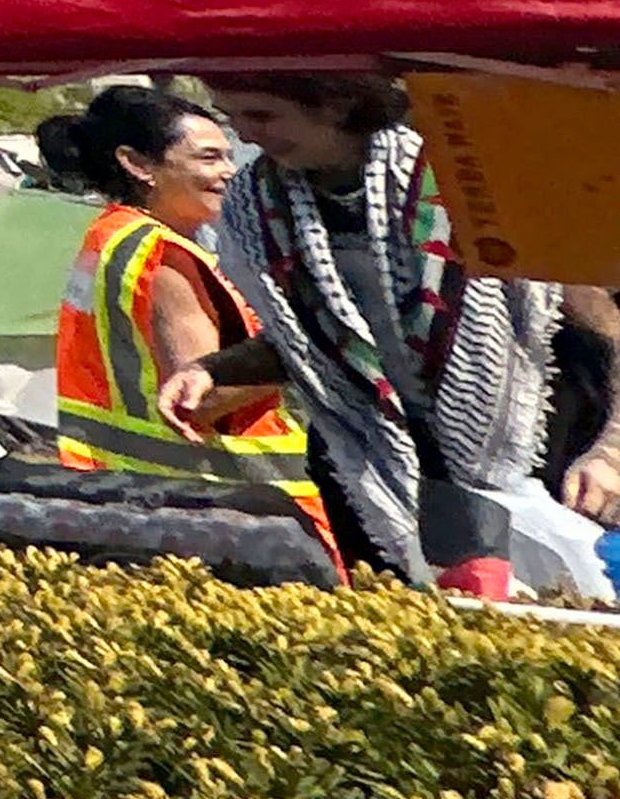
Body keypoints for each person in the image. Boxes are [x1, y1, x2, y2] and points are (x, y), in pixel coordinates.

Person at [202, 77, 619, 595]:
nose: (244, 133)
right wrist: (213, 370)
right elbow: (325, 346)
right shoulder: (263, 208)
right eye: (232, 114)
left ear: (338, 103)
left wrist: (611, 452)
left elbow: (606, 329)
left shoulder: (472, 185)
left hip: (542, 460)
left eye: (261, 114)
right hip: (375, 472)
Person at [34, 83, 319, 508]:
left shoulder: (111, 235)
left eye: (227, 155)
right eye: (208, 157)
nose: (229, 171)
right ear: (138, 165)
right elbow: (197, 401)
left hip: (133, 488)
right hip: (229, 501)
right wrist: (312, 351)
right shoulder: (166, 258)